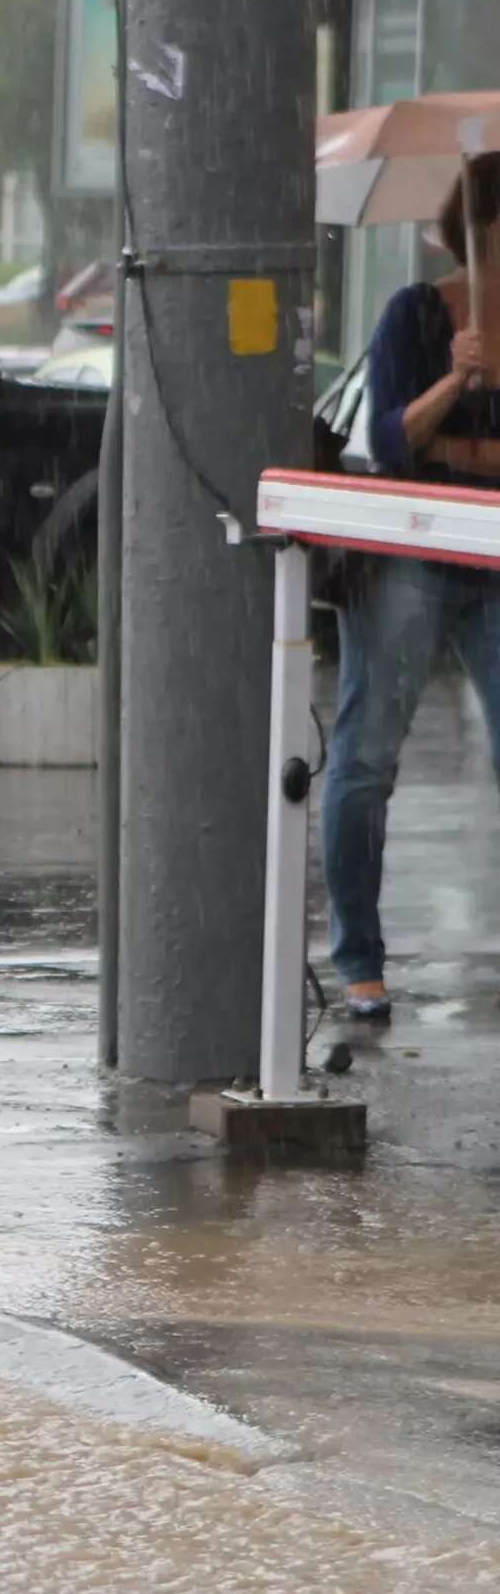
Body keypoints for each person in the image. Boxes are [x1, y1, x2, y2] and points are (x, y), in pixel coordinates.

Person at [321, 155, 500, 1022]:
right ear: (480, 235)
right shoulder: (417, 316)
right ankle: (358, 957)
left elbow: (447, 456)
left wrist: (459, 454)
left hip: (495, 559)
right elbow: (391, 440)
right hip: (411, 554)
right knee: (367, 757)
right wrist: (455, 383)